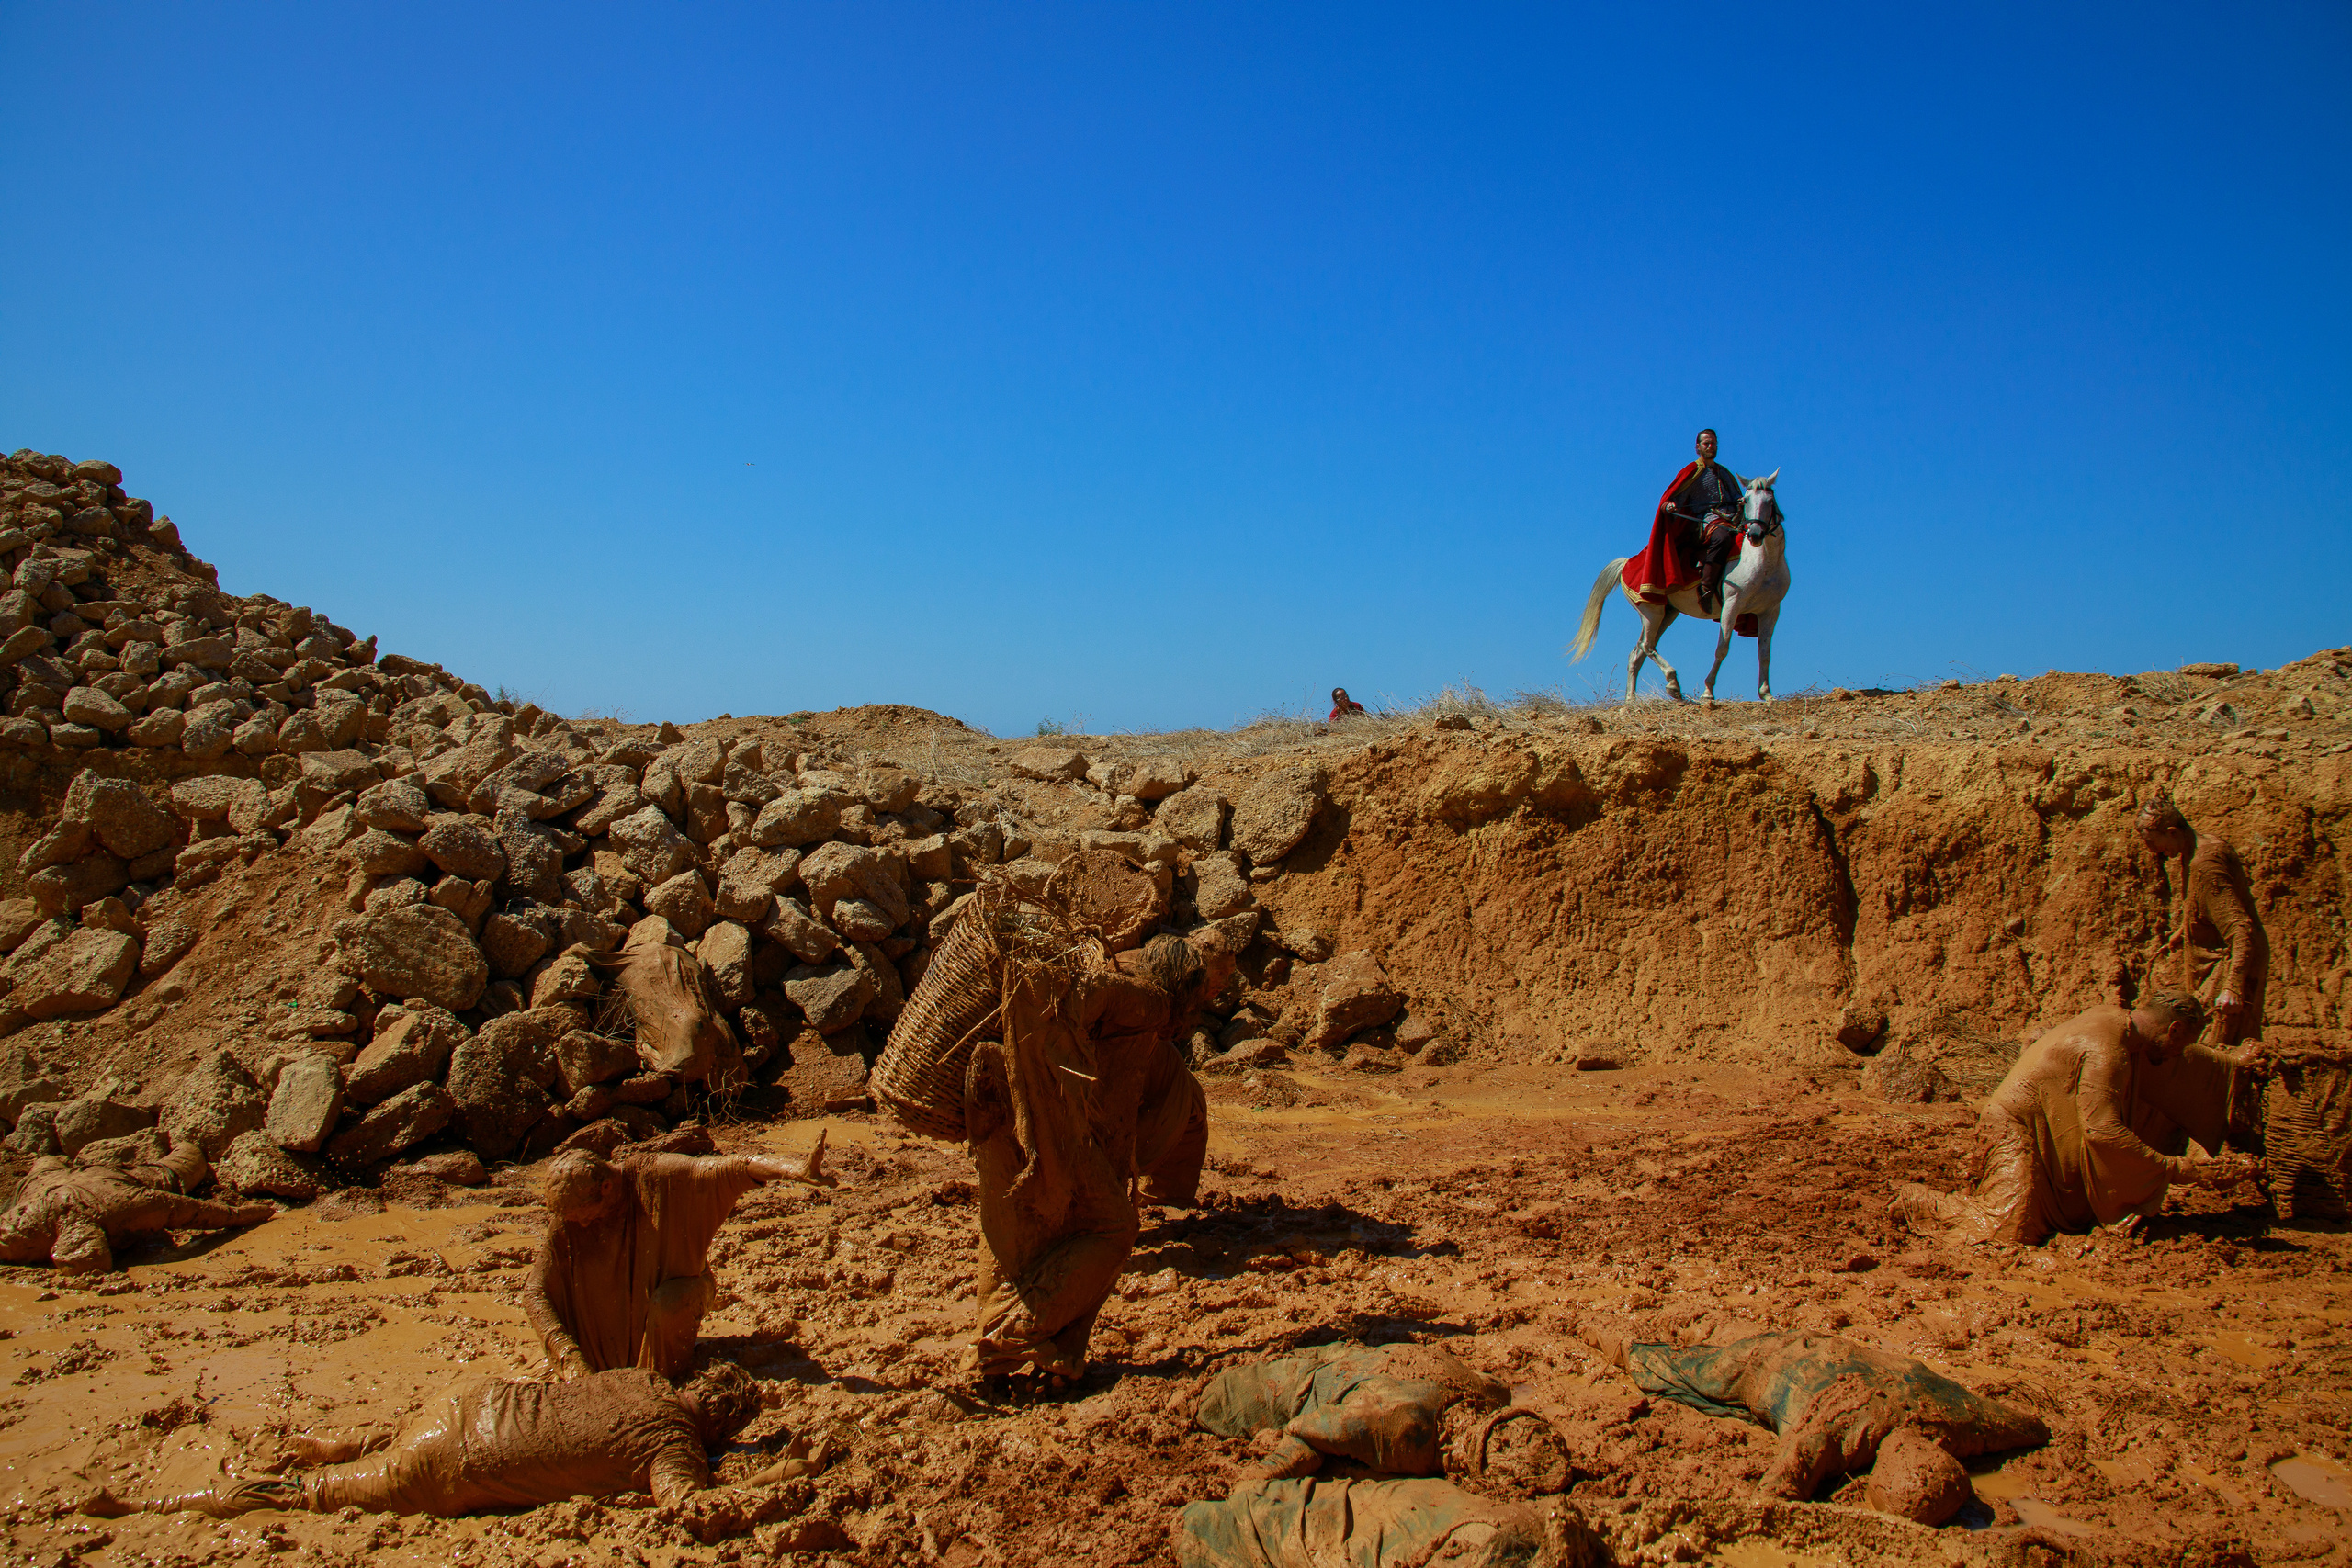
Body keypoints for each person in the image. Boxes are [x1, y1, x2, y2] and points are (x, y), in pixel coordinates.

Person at [79, 1363, 797, 1524]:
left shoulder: (640, 1379)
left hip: (466, 1401)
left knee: (370, 1446)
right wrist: (778, 1477)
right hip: (457, 1464)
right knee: (312, 1499)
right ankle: (149, 1503)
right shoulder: (672, 1446)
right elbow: (692, 1508)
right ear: (721, 1427)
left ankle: (332, 1440)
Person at [966, 932, 1210, 1382]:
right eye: (1197, 1004)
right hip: (1050, 1124)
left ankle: (1039, 1352)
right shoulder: (1150, 1002)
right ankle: (1008, 1337)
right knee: (1115, 1230)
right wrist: (1060, 1055)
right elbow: (1076, 995)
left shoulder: (1131, 988)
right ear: (1183, 988)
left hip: (1005, 1107)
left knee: (1013, 1228)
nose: (1193, 1020)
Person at [1572, 1324, 2047, 1525]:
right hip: (1773, 1361)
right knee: (1677, 1370)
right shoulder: (1837, 1433)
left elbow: (2029, 1425)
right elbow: (1772, 1498)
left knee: (1697, 1370)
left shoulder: (1965, 1421)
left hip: (1839, 1358)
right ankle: (1612, 1342)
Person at [1894, 991, 2260, 1247]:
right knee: (2005, 1230)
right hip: (2013, 1129)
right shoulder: (2108, 1052)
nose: (2179, 1055)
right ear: (2174, 1029)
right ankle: (1918, 1201)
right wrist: (2178, 1169)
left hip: (2038, 1125)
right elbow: (2103, 1131)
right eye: (2181, 1044)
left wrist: (2234, 1065)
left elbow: (2182, 1066)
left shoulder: (2118, 1020)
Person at [523, 1135, 835, 1381]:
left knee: (668, 1305)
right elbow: (534, 1292)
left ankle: (655, 1379)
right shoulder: (570, 1216)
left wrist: (793, 1171)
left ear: (606, 1187)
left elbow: (734, 1168)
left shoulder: (659, 1176)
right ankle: (606, 1371)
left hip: (679, 1289)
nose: (582, 1226)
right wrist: (569, 1356)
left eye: (583, 1217)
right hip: (608, 1312)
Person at [1196, 1341, 1569, 1495]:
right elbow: (1303, 1433)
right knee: (1213, 1405)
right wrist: (1251, 1483)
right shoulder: (1409, 1430)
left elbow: (1498, 1386)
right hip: (1316, 1381)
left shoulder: (1487, 1395)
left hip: (1370, 1359)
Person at [0, 1143, 272, 1273]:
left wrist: (243, 1214)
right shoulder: (135, 1203)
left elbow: (194, 1210)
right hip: (73, 1184)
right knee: (182, 1163)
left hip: (79, 1184)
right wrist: (244, 1214)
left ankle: (55, 1161)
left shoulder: (133, 1203)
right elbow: (195, 1208)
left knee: (45, 1163)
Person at [2138, 798, 2269, 1047]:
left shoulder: (2205, 865)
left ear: (2173, 832)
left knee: (2215, 1047)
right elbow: (2214, 905)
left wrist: (2232, 988)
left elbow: (2240, 929)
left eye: (2153, 843)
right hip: (2223, 958)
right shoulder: (2199, 848)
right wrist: (2184, 930)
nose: (2152, 851)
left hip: (2230, 963)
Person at [1627, 429, 1746, 613]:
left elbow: (1737, 495)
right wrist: (1669, 505)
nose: (1710, 446)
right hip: (1705, 520)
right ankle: (1707, 587)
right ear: (1698, 447)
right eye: (1706, 443)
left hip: (1732, 520)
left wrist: (1741, 501)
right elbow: (1675, 497)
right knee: (1721, 538)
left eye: (1713, 443)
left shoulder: (1724, 473)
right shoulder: (1692, 472)